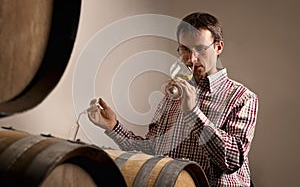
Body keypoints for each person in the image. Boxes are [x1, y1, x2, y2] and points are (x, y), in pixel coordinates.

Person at [88, 12, 258, 187]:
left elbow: (232, 161)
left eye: (200, 49)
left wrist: (193, 114)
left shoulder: (242, 97)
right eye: (185, 49)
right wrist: (113, 127)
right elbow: (152, 151)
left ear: (218, 47)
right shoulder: (173, 95)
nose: (191, 59)